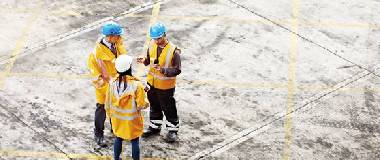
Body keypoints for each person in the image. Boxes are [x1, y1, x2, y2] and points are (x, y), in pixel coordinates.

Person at [137, 22, 182, 142]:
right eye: (154, 38)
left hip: (166, 87)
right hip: (152, 84)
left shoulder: (174, 51)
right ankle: (154, 127)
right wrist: (144, 60)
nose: (156, 41)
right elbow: (149, 60)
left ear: (164, 35)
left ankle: (173, 130)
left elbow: (177, 70)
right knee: (154, 106)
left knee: (169, 108)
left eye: (159, 38)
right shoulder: (152, 45)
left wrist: (163, 70)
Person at [87, 21, 127, 147]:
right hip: (104, 88)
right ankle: (98, 134)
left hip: (117, 85)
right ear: (110, 37)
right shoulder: (96, 56)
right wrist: (109, 86)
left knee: (116, 110)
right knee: (101, 110)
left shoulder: (117, 44)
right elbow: (96, 77)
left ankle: (115, 129)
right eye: (118, 35)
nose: (120, 37)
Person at [105, 55, 149, 160]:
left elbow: (107, 103)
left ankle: (116, 158)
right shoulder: (137, 85)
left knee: (118, 138)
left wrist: (110, 117)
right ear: (129, 68)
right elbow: (142, 105)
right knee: (134, 141)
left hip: (117, 119)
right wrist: (144, 93)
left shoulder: (112, 84)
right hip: (131, 120)